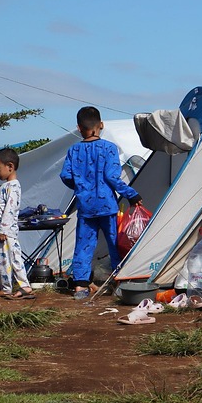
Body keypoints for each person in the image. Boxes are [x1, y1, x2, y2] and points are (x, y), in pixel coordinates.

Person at [60, 106, 140, 301]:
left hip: (86, 207)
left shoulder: (74, 150)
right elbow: (112, 177)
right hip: (107, 205)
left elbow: (65, 175)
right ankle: (120, 281)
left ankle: (80, 286)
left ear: (79, 128)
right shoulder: (109, 148)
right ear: (101, 125)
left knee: (84, 245)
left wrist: (80, 186)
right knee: (114, 243)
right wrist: (131, 194)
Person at [0, 148, 35, 299]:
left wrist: (4, 229)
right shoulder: (4, 186)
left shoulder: (13, 186)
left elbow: (10, 209)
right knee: (2, 261)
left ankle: (25, 286)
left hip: (5, 232)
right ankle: (5, 287)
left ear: (10, 166)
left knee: (13, 259)